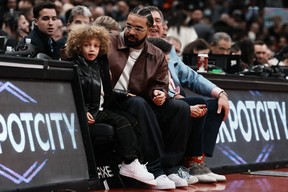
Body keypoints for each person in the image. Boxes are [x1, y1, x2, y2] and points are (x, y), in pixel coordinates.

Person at [107, 7, 191, 189]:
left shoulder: (157, 54)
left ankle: (171, 168)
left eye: (138, 29)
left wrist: (158, 93)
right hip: (111, 99)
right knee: (139, 104)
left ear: (149, 30)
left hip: (139, 99)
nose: (131, 31)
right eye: (128, 26)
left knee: (180, 108)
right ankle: (154, 169)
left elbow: (159, 83)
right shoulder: (108, 42)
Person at [146, 5, 229, 183]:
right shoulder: (138, 49)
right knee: (195, 102)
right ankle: (185, 163)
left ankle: (196, 162)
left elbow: (191, 76)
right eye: (149, 20)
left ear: (163, 26)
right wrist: (172, 96)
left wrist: (220, 92)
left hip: (174, 100)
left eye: (158, 21)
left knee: (215, 106)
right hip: (156, 102)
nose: (154, 24)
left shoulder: (168, 48)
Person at [66, 24, 156, 186]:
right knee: (122, 122)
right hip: (92, 112)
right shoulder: (75, 66)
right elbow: (71, 93)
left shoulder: (100, 64)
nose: (92, 49)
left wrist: (123, 94)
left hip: (101, 108)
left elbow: (104, 90)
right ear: (78, 46)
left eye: (95, 45)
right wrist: (82, 110)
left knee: (134, 121)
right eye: (87, 45)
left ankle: (136, 162)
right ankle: (129, 161)